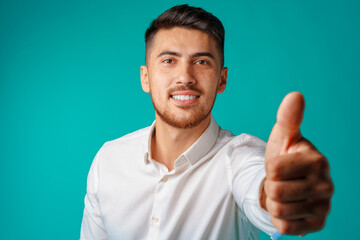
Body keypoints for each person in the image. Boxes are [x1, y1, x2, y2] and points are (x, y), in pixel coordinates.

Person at [80, 4, 334, 240]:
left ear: (222, 80)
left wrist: (279, 197)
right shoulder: (107, 161)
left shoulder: (240, 158)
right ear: (145, 78)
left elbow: (259, 186)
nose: (185, 77)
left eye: (201, 62)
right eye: (169, 61)